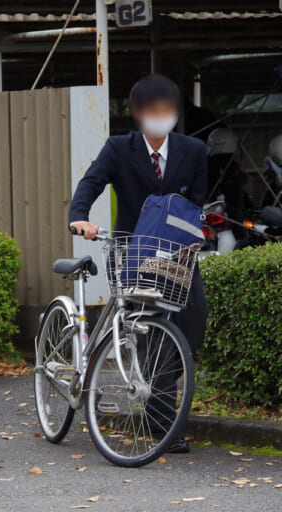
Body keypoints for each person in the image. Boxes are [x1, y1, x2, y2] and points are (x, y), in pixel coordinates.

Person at [68, 74, 208, 454]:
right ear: (139, 113)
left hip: (178, 254)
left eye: (167, 109)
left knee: (192, 322)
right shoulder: (119, 148)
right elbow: (91, 183)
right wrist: (79, 216)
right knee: (155, 330)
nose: (161, 116)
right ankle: (163, 426)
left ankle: (162, 386)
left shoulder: (194, 150)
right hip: (134, 253)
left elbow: (196, 202)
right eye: (153, 110)